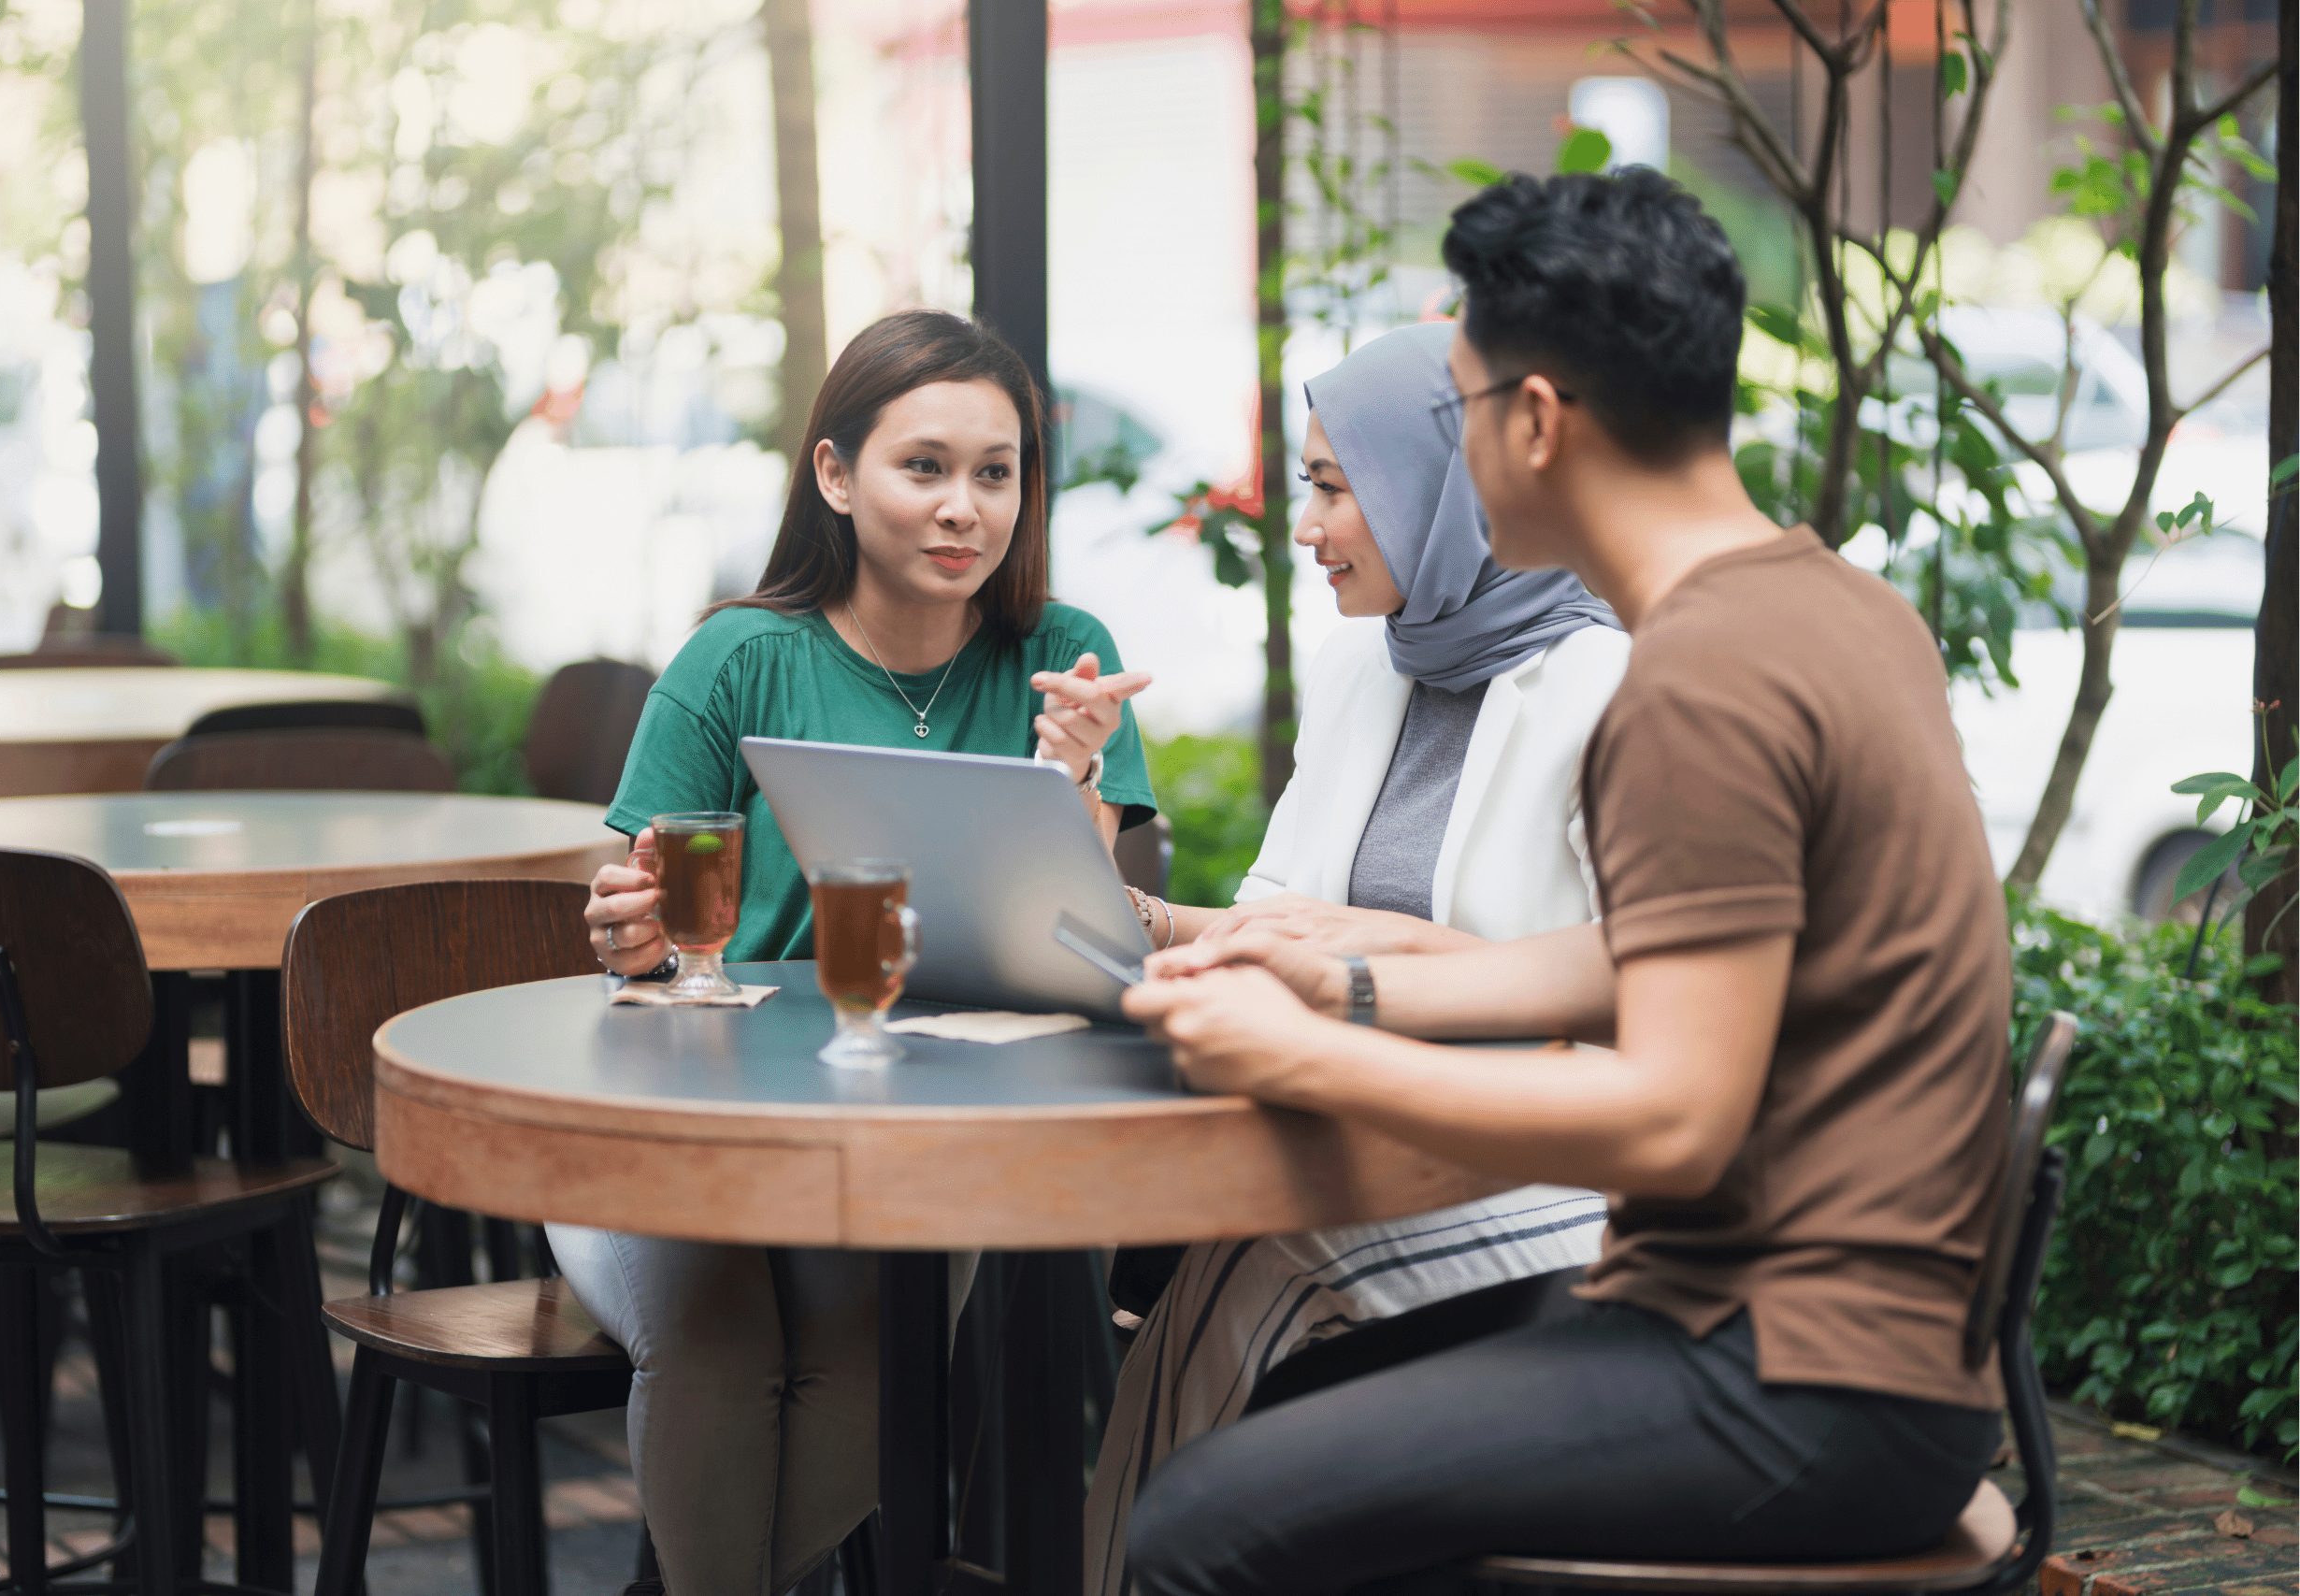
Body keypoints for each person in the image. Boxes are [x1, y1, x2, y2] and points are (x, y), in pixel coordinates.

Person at [1117, 168, 2014, 1595]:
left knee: (1194, 1525)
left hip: (1786, 1371)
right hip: (1867, 1351)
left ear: (1536, 420)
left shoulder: (1695, 683)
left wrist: (1308, 1054)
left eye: (1465, 409)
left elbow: (1672, 1115)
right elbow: (1666, 956)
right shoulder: (1836, 605)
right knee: (1277, 1426)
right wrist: (1349, 978)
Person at [567, 309, 1157, 1596]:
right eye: (924, 466)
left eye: (996, 473)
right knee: (718, 1343)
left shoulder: (1060, 659)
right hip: (687, 1115)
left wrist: (1072, 775)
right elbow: (635, 910)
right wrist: (630, 934)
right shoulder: (738, 658)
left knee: (867, 1357)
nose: (965, 508)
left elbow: (1080, 938)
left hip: (905, 1123)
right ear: (836, 477)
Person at [1086, 321, 1628, 1596]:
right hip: (1363, 1129)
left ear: (1438, 488)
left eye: (1334, 486)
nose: (1308, 523)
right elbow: (1291, 917)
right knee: (1186, 1260)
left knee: (1252, 1263)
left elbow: (1634, 971)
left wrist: (1378, 957)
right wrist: (1145, 925)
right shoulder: (1361, 668)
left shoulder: (1607, 681)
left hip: (1553, 1165)